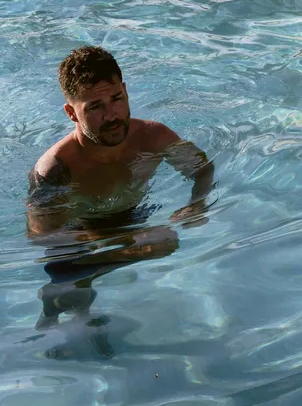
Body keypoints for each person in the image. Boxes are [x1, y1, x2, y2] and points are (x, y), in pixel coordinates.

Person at [27, 46, 214, 336]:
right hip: (79, 234)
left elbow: (202, 169)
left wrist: (197, 203)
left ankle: (77, 310)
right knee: (66, 283)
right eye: (95, 106)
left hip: (131, 215)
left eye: (117, 99)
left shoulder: (153, 136)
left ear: (126, 91)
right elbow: (42, 236)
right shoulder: (55, 168)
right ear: (71, 112)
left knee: (164, 241)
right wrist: (125, 242)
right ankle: (54, 316)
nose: (111, 115)